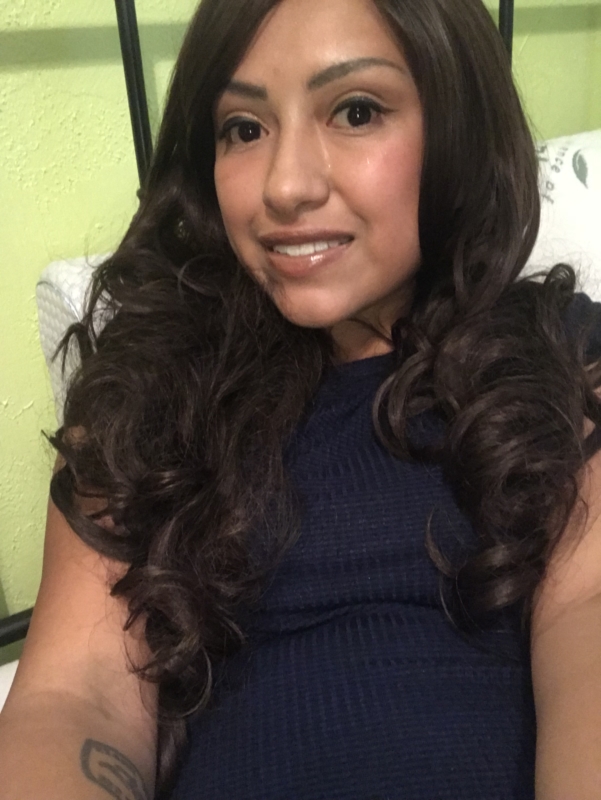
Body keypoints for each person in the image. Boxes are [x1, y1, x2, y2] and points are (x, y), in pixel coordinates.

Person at [2, 0, 601, 797]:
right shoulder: (151, 384)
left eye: (355, 111)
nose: (284, 186)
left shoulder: (559, 355)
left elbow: (586, 625)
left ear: (455, 129)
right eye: (243, 128)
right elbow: (74, 695)